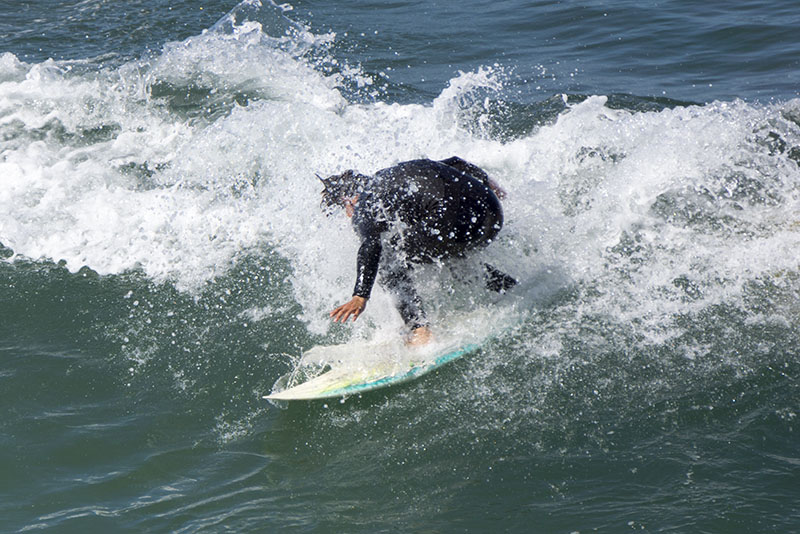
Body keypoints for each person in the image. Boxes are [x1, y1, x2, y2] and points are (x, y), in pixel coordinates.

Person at [320, 157, 516, 345]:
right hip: (491, 211)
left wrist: (360, 295)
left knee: (389, 256)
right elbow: (456, 162)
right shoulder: (395, 174)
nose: (349, 216)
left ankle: (419, 331)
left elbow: (371, 245)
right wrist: (490, 184)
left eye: (345, 211)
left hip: (454, 224)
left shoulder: (364, 202)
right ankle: (507, 286)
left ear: (348, 200)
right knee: (434, 249)